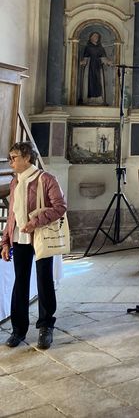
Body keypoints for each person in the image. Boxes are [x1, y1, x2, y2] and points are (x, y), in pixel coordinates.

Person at [1, 141, 67, 349]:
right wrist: (5, 241)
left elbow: (60, 207)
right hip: (20, 239)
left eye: (14, 157)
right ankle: (18, 330)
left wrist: (34, 222)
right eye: (10, 158)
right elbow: (11, 214)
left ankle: (46, 326)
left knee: (44, 280)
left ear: (27, 157)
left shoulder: (46, 179)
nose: (11, 162)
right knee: (20, 282)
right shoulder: (15, 182)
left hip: (40, 238)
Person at [79, 31, 111, 105]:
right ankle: (90, 98)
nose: (96, 37)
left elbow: (104, 58)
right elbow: (85, 58)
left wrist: (108, 62)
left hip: (98, 67)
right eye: (94, 36)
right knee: (90, 81)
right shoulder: (88, 47)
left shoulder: (101, 48)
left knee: (98, 81)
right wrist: (83, 62)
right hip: (90, 66)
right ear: (90, 38)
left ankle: (98, 98)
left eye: (97, 36)